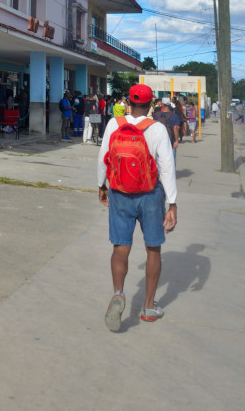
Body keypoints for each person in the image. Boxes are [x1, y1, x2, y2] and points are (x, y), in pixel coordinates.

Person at [98, 84, 177, 329]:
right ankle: (149, 306)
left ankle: (119, 293)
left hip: (120, 192)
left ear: (128, 103)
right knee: (153, 249)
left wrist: (101, 185)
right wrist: (172, 203)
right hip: (150, 195)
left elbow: (103, 156)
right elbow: (167, 167)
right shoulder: (157, 128)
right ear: (151, 103)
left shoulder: (114, 123)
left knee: (120, 248)